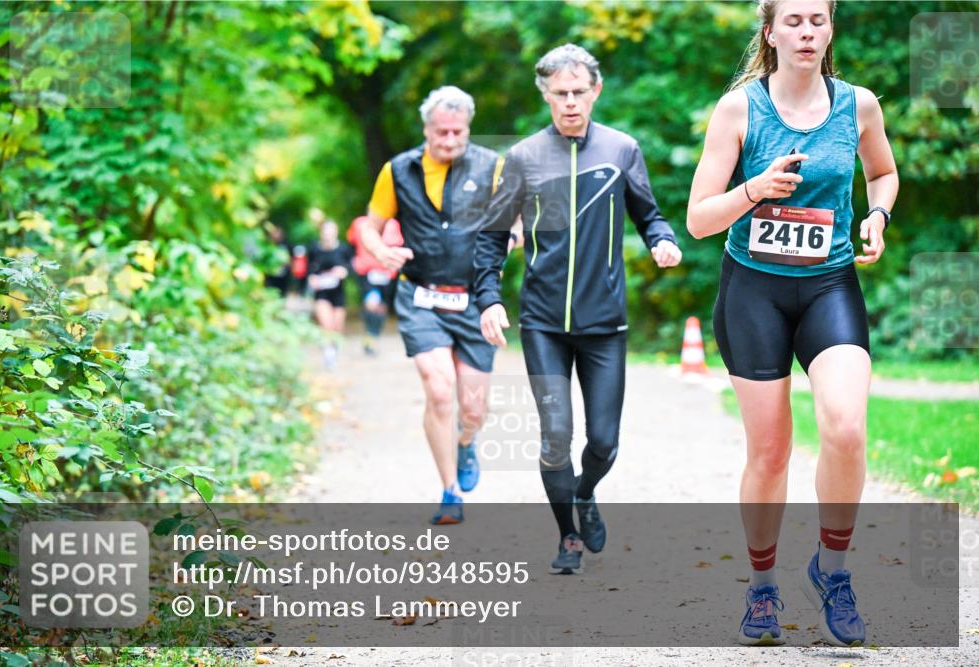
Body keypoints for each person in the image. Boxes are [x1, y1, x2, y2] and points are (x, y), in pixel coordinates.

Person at [685, 0, 898, 647]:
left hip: (830, 283)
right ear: (770, 31)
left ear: (830, 29)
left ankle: (831, 568)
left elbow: (882, 173)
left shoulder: (858, 105)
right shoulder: (738, 109)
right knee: (771, 451)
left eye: (819, 20)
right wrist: (755, 190)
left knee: (845, 423)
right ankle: (762, 586)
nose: (807, 31)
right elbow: (698, 217)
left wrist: (877, 216)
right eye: (795, 20)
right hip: (754, 290)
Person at [473, 44, 682, 573]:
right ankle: (568, 536)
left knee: (605, 442)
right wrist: (489, 299)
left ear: (595, 92)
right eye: (559, 94)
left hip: (604, 322)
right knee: (555, 436)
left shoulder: (621, 150)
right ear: (545, 94)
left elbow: (649, 215)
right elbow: (492, 237)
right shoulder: (521, 158)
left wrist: (662, 241)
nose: (569, 103)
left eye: (578, 93)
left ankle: (584, 493)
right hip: (542, 322)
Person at [360, 85, 518, 525]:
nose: (449, 140)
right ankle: (449, 490)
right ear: (426, 129)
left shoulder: (493, 165)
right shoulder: (399, 170)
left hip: (475, 299)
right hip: (421, 295)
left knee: (473, 407)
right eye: (441, 133)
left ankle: (466, 443)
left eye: (458, 132)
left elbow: (518, 217)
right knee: (438, 388)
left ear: (468, 128)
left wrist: (514, 235)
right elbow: (369, 227)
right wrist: (381, 252)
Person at [347, 216, 404, 356]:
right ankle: (370, 334)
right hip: (367, 272)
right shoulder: (359, 223)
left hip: (387, 273)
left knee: (381, 308)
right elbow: (351, 243)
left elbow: (400, 246)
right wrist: (353, 261)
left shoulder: (393, 224)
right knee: (371, 304)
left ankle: (374, 336)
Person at [308, 220, 354, 369]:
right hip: (321, 292)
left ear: (336, 232)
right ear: (321, 232)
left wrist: (344, 272)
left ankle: (333, 350)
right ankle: (328, 355)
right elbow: (308, 270)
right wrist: (312, 278)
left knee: (337, 327)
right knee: (326, 325)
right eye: (325, 230)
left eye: (331, 230)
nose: (328, 234)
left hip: (338, 293)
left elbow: (351, 267)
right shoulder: (314, 249)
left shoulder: (343, 249)